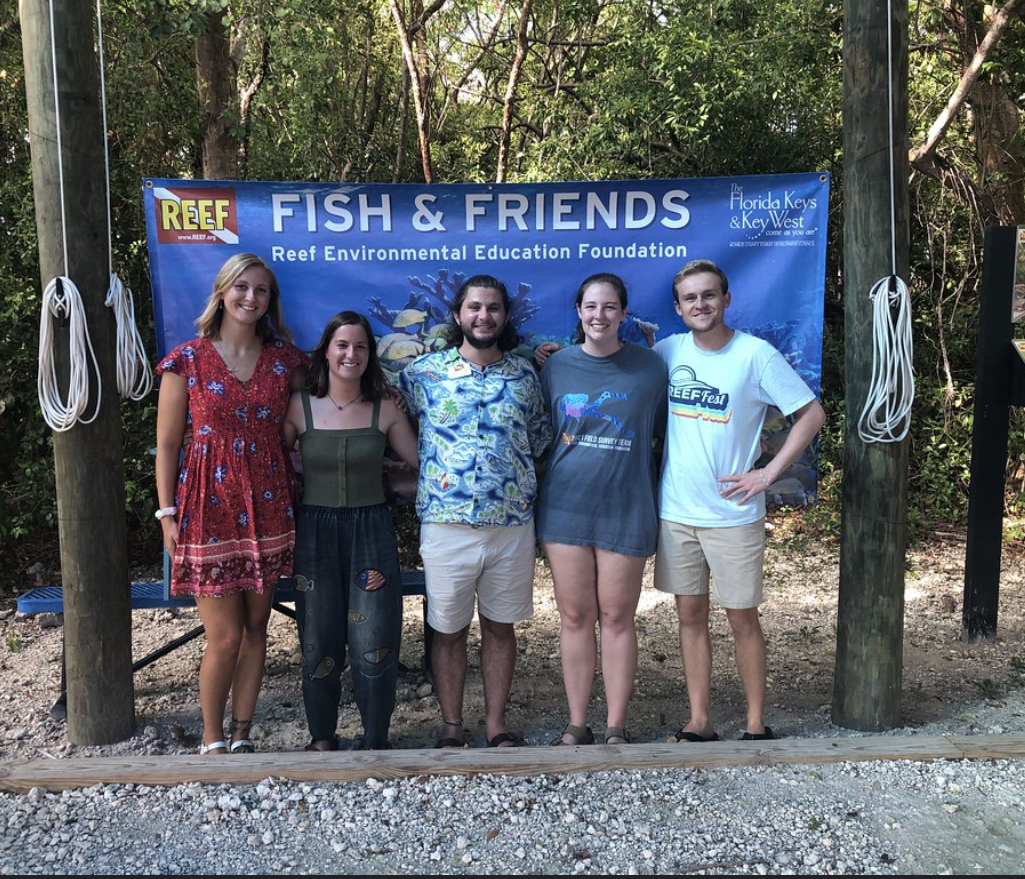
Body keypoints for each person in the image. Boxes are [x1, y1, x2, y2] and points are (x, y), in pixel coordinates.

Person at [653, 259, 826, 742]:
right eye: (691, 298)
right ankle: (700, 720)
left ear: (726, 300)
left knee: (741, 616)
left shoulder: (755, 355)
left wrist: (768, 474)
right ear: (678, 308)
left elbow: (812, 414)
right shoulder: (667, 351)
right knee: (689, 616)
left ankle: (754, 722)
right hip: (677, 512)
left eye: (709, 295)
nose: (700, 304)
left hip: (733, 514)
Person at [155, 253, 307, 755]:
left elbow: (309, 423)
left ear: (271, 301)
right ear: (222, 291)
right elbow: (169, 445)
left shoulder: (287, 361)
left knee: (257, 629)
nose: (250, 297)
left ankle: (243, 733)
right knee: (223, 635)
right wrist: (166, 515)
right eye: (241, 287)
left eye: (261, 290)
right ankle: (212, 737)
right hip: (207, 507)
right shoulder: (188, 360)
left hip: (268, 504)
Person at [398, 275, 552, 749]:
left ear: (505, 317)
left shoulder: (525, 378)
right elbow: (383, 419)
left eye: (493, 308)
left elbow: (540, 441)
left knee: (500, 627)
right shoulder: (422, 374)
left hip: (510, 527)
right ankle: (451, 727)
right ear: (459, 315)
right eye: (474, 307)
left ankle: (496, 725)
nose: (483, 316)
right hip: (446, 524)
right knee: (447, 629)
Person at [537, 273, 666, 746]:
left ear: (624, 313)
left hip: (626, 505)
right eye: (591, 306)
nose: (599, 316)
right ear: (578, 311)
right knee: (574, 617)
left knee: (616, 617)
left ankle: (615, 725)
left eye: (610, 307)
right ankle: (576, 723)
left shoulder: (651, 368)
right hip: (566, 509)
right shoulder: (555, 368)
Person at [282, 311, 419, 751]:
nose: (351, 354)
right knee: (318, 635)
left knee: (373, 635)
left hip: (371, 530)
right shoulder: (298, 407)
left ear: (369, 355)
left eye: (360, 346)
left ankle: (375, 736)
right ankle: (321, 735)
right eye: (342, 344)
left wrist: (400, 484)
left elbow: (425, 466)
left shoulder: (385, 408)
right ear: (325, 350)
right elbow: (266, 462)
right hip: (315, 533)